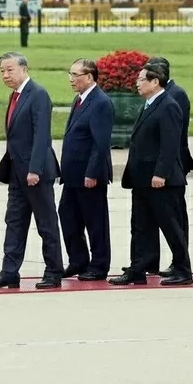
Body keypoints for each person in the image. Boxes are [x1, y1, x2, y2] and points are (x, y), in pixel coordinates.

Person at [0, 52, 64, 290]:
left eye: (10, 69)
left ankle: (53, 272)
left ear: (24, 69)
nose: (5, 75)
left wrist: (35, 169)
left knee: (46, 224)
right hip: (17, 174)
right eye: (2, 71)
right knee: (14, 222)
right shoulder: (15, 96)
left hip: (35, 173)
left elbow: (42, 136)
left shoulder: (38, 94)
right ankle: (9, 272)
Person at [110, 63, 192, 287]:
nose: (137, 83)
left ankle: (183, 270)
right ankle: (138, 268)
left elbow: (170, 144)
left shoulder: (168, 106)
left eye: (141, 79)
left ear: (155, 82)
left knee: (171, 226)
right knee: (140, 226)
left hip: (160, 181)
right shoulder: (149, 104)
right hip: (142, 179)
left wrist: (161, 173)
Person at [139, 56, 193, 277]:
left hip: (173, 165)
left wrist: (165, 168)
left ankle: (180, 262)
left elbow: (175, 136)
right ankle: (150, 260)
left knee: (175, 218)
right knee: (153, 218)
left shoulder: (175, 96)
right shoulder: (154, 97)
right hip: (156, 166)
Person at [59, 58, 114, 281]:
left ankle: (99, 265)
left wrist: (92, 173)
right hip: (73, 175)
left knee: (95, 221)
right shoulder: (79, 100)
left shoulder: (100, 102)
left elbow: (100, 143)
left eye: (76, 75)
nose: (71, 79)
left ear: (90, 77)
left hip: (89, 175)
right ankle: (78, 260)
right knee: (68, 215)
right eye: (70, 74)